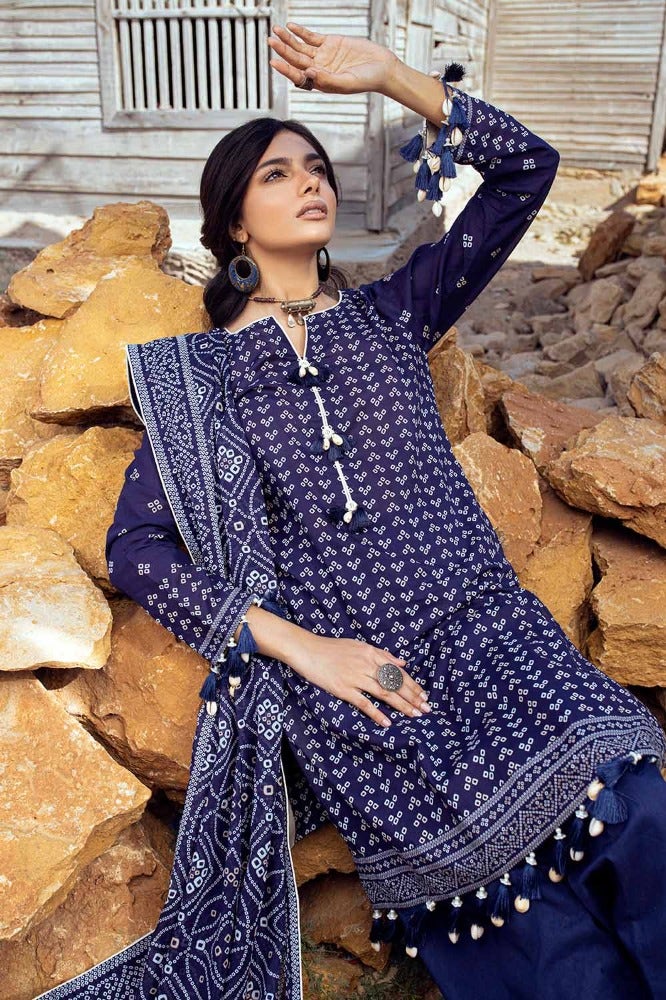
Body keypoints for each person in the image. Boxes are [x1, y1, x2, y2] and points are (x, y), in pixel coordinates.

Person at [36, 22, 666, 1000]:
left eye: (318, 167)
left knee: (642, 820)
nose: (311, 181)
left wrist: (393, 77)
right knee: (549, 962)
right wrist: (304, 650)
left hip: (504, 644)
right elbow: (138, 550)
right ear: (233, 221)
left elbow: (525, 173)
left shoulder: (393, 314)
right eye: (278, 173)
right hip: (373, 697)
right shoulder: (199, 382)